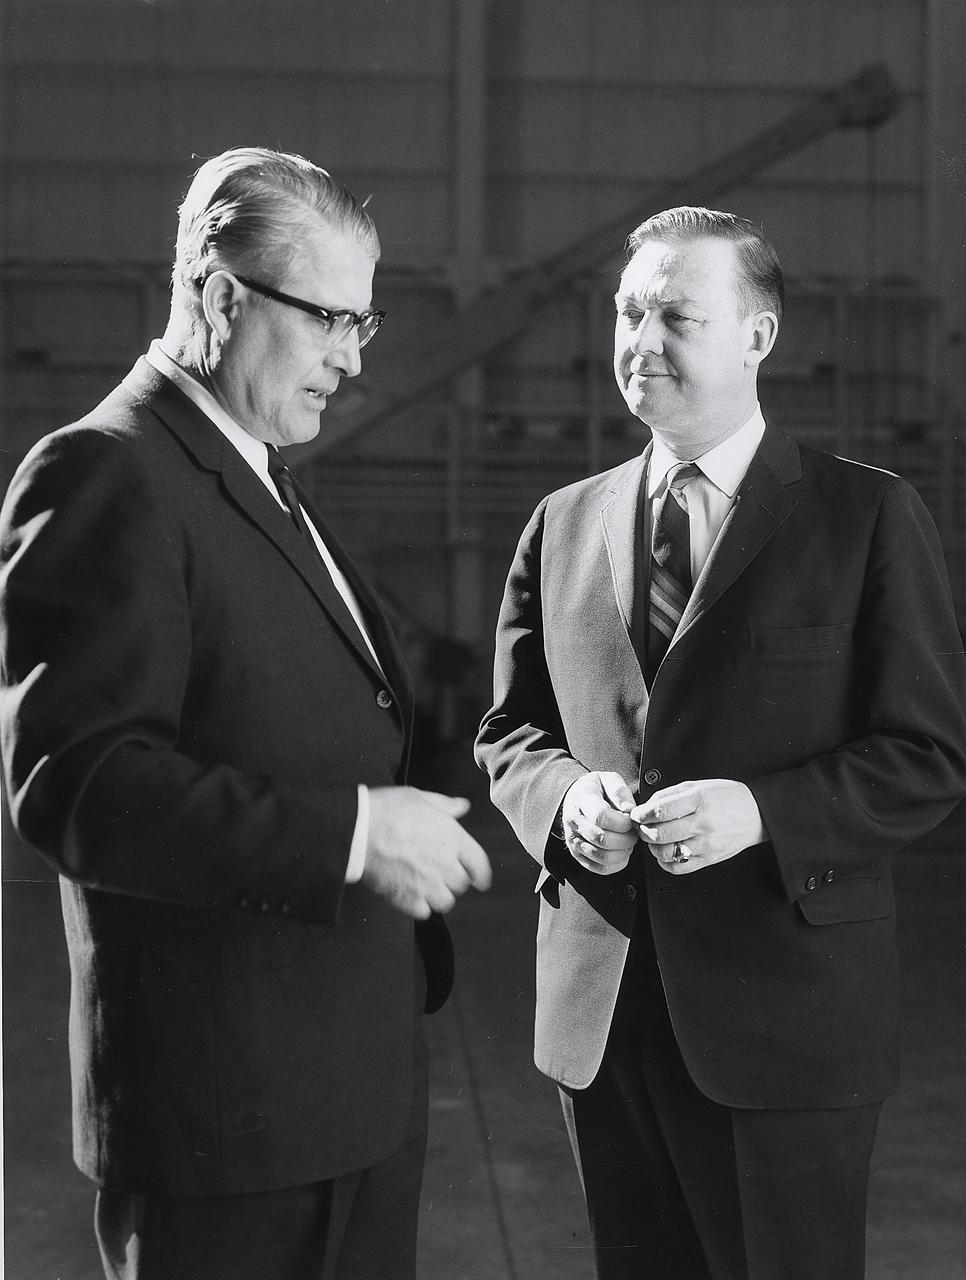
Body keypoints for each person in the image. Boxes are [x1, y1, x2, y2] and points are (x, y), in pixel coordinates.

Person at [0, 147, 492, 1280]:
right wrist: (357, 833)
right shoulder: (106, 472)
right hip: (228, 1131)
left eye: (362, 326)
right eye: (329, 319)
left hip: (344, 1101)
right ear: (220, 294)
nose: (350, 359)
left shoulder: (251, 467)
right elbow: (76, 782)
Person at [475, 206, 966, 1280]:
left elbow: (929, 752)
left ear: (758, 336)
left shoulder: (865, 518)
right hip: (602, 1021)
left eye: (676, 315)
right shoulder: (561, 524)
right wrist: (563, 802)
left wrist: (766, 811)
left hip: (784, 1026)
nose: (640, 339)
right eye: (627, 311)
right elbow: (510, 731)